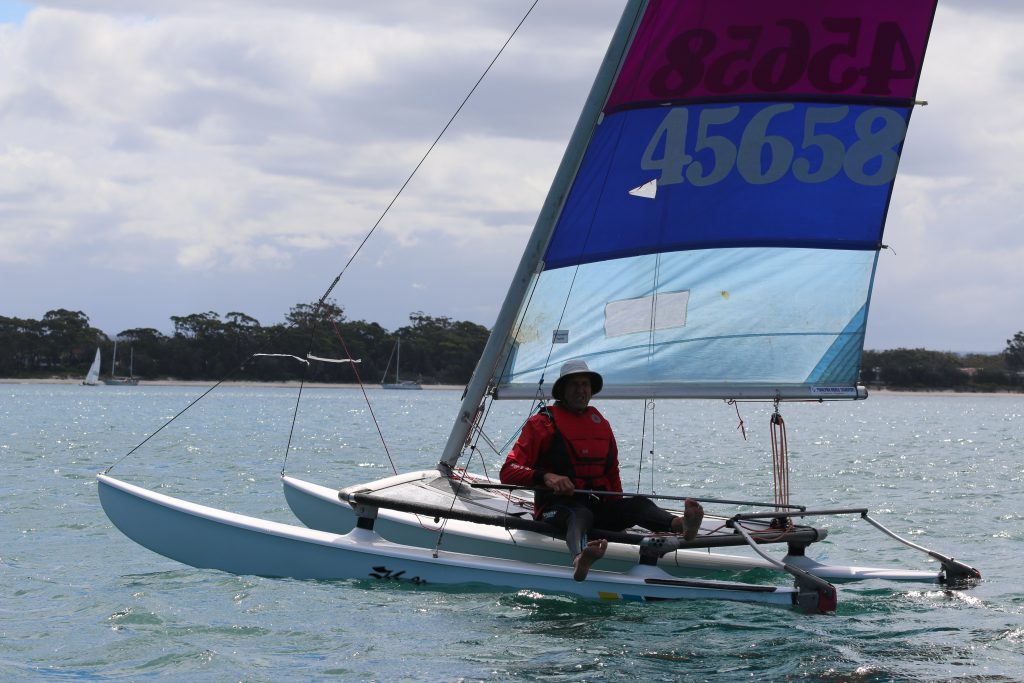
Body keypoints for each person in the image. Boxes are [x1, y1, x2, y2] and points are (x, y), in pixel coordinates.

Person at [500, 359, 704, 581]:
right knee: (579, 514)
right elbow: (508, 471)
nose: (581, 390)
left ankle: (682, 525)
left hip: (598, 509)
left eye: (585, 384)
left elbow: (612, 473)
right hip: (557, 510)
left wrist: (620, 512)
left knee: (638, 503)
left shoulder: (601, 424)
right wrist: (546, 477)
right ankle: (580, 558)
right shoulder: (542, 423)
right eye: (574, 384)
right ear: (562, 390)